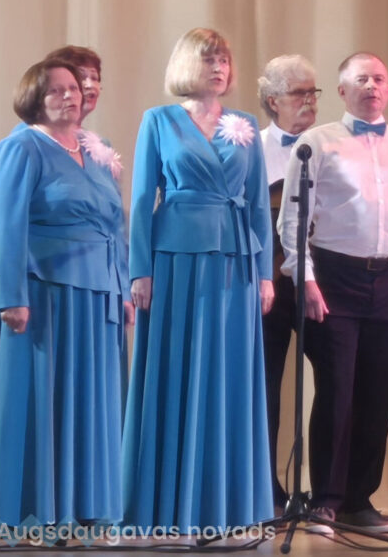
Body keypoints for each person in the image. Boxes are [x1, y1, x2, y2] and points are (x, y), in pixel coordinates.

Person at [278, 52, 388, 533]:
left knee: (378, 393)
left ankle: (358, 500)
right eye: (361, 79)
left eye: (379, 79)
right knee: (337, 391)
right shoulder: (316, 142)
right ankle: (325, 500)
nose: (371, 86)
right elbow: (293, 219)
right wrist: (304, 278)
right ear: (342, 91)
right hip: (334, 277)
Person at [0, 58, 130, 531]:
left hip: (96, 297)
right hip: (44, 294)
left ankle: (85, 507)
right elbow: (7, 224)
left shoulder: (97, 149)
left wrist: (121, 285)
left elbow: (115, 226)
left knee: (90, 404)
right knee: (43, 399)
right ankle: (32, 508)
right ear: (35, 98)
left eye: (73, 88)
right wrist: (11, 296)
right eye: (56, 90)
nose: (69, 95)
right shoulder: (21, 146)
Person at [121, 28, 275, 532]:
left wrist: (265, 275)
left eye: (224, 60)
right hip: (175, 261)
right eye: (209, 59)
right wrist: (139, 269)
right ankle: (165, 503)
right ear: (189, 64)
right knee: (176, 372)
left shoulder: (244, 124)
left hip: (235, 263)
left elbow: (258, 205)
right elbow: (142, 198)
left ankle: (226, 504)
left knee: (229, 377)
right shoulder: (159, 120)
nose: (219, 68)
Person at [254, 54, 323, 509]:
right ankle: (266, 491)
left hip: (323, 278)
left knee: (335, 383)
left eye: (313, 92)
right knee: (266, 386)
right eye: (299, 93)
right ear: (272, 100)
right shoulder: (251, 149)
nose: (309, 101)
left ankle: (331, 492)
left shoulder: (332, 143)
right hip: (270, 279)